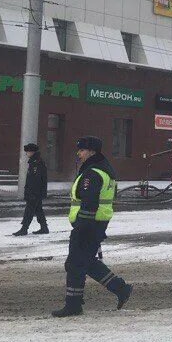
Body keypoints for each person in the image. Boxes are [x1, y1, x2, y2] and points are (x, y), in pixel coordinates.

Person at [52, 136, 132, 318]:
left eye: (81, 150)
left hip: (88, 224)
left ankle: (73, 306)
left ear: (91, 151)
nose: (78, 153)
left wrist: (81, 225)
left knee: (74, 264)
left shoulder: (93, 173)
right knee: (85, 262)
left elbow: (89, 202)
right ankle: (121, 288)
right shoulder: (103, 169)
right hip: (95, 224)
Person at [12, 143, 48, 236]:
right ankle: (44, 227)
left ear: (32, 152)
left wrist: (31, 192)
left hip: (34, 192)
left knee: (29, 210)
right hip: (35, 191)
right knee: (38, 209)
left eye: (27, 152)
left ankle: (24, 229)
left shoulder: (36, 163)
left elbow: (36, 180)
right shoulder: (34, 161)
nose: (26, 154)